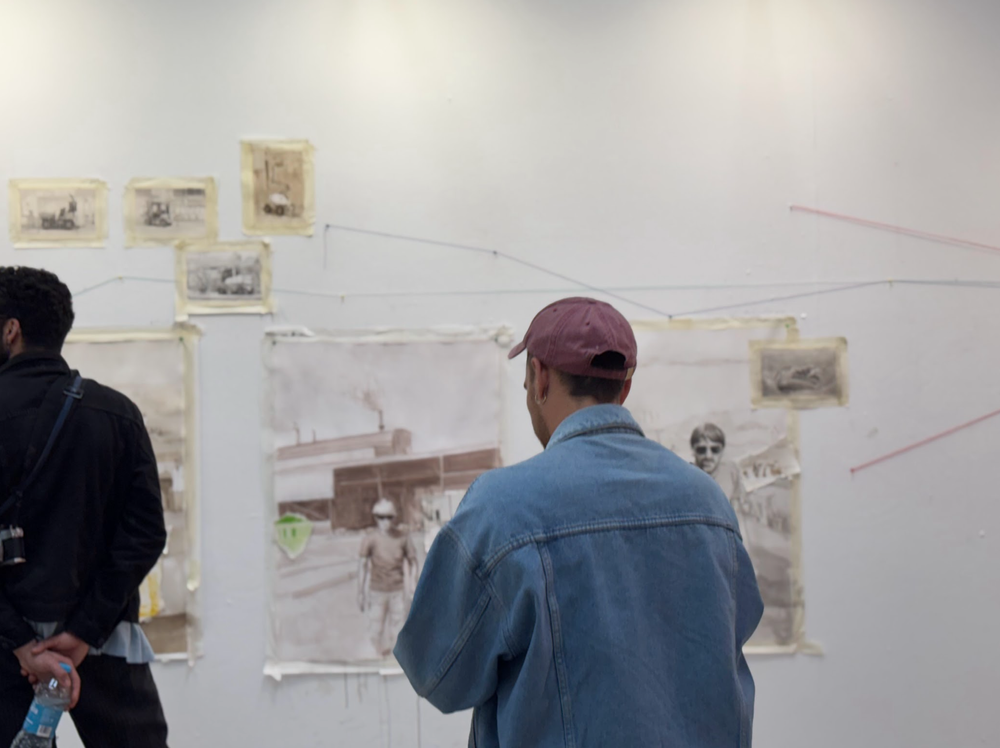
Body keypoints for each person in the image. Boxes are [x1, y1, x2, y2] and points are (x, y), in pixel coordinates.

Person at [395, 297, 763, 747]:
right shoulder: (709, 503)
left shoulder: (502, 507)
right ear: (625, 387)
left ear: (539, 378)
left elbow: (436, 673)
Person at [0, 267, 169, 747]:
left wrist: (23, 643)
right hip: (103, 641)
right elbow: (145, 534)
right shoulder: (117, 413)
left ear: (11, 330)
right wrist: (81, 633)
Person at [357, 498, 419, 658]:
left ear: (394, 518)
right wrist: (361, 592)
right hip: (377, 591)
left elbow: (413, 562)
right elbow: (362, 566)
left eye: (389, 517)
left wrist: (413, 585)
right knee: (375, 630)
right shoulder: (369, 539)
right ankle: (378, 654)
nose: (385, 521)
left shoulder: (403, 538)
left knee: (399, 630)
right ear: (375, 518)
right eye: (381, 517)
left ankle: (394, 660)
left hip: (397, 591)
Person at [690, 423, 751, 541]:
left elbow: (738, 515)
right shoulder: (686, 478)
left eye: (715, 449)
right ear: (693, 451)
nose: (708, 456)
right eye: (702, 450)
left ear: (722, 451)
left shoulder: (731, 471)